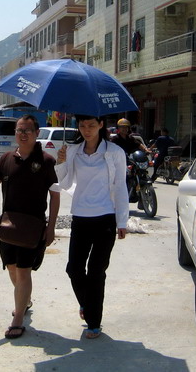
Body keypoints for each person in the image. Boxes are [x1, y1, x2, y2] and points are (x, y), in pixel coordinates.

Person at [0, 115, 60, 340]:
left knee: (23, 270)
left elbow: (55, 195)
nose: (23, 134)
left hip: (33, 226)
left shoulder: (47, 161)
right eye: (19, 130)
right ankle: (25, 299)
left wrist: (51, 227)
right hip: (8, 225)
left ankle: (18, 318)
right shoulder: (7, 158)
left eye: (27, 130)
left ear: (37, 133)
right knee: (11, 267)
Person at [56, 114, 128, 339]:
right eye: (82, 125)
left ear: (101, 125)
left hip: (105, 217)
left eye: (91, 125)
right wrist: (60, 162)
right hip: (80, 216)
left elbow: (120, 186)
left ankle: (93, 323)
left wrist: (122, 221)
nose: (86, 130)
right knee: (74, 269)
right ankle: (87, 304)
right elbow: (64, 183)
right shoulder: (73, 151)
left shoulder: (114, 152)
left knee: (97, 271)